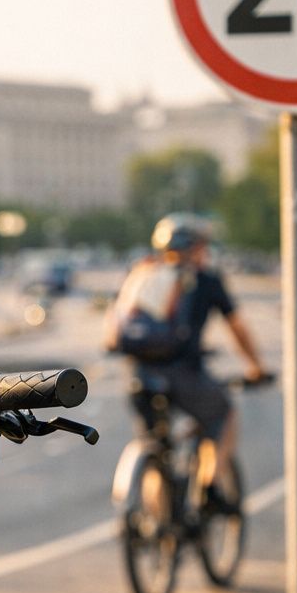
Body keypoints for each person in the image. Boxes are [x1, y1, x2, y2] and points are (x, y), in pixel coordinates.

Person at [103, 213, 267, 508]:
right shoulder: (205, 280)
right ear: (198, 247)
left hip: (139, 377)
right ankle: (209, 487)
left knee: (154, 446)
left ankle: (158, 524)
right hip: (184, 377)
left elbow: (114, 325)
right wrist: (256, 366)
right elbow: (237, 328)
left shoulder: (141, 274)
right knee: (223, 415)